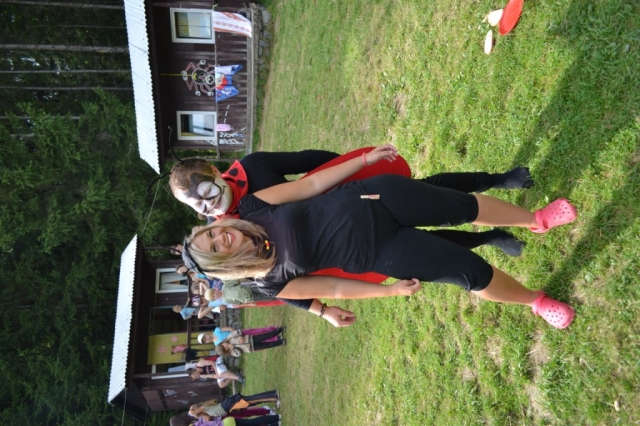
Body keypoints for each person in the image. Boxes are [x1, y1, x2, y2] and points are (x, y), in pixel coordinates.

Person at [183, 144, 577, 329]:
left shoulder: (254, 207)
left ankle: (537, 219)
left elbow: (311, 184)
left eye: (212, 233)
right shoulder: (270, 283)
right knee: (468, 273)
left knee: (463, 207)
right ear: (222, 264)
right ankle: (536, 301)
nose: (221, 238)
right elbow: (335, 288)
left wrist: (362, 160)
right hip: (381, 252)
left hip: (375, 197)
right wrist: (387, 292)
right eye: (214, 248)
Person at [187, 390, 281, 420]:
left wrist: (191, 411)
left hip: (229, 405)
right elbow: (207, 420)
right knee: (253, 400)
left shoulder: (203, 408)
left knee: (253, 400)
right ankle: (273, 394)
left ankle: (274, 397)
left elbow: (193, 412)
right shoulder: (207, 412)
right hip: (229, 406)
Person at [214, 327, 286, 357]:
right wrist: (233, 348)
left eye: (223, 345)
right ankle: (280, 342)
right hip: (252, 348)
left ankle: (279, 330)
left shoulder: (229, 338)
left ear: (222, 343)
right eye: (225, 349)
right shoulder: (232, 352)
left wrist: (240, 336)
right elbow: (239, 354)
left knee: (265, 336)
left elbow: (237, 332)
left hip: (251, 338)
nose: (225, 346)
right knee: (267, 345)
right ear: (226, 351)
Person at [198, 326, 281, 346]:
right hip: (238, 342)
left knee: (257, 331)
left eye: (205, 337)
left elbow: (229, 328)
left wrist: (237, 334)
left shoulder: (217, 330)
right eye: (205, 341)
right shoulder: (217, 344)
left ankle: (273, 329)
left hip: (239, 334)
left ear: (206, 334)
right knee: (258, 340)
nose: (207, 339)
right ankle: (275, 338)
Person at [169, 412, 280, 426]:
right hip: (226, 421)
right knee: (250, 422)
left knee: (252, 423)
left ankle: (276, 419)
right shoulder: (194, 418)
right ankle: (275, 420)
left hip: (226, 425)